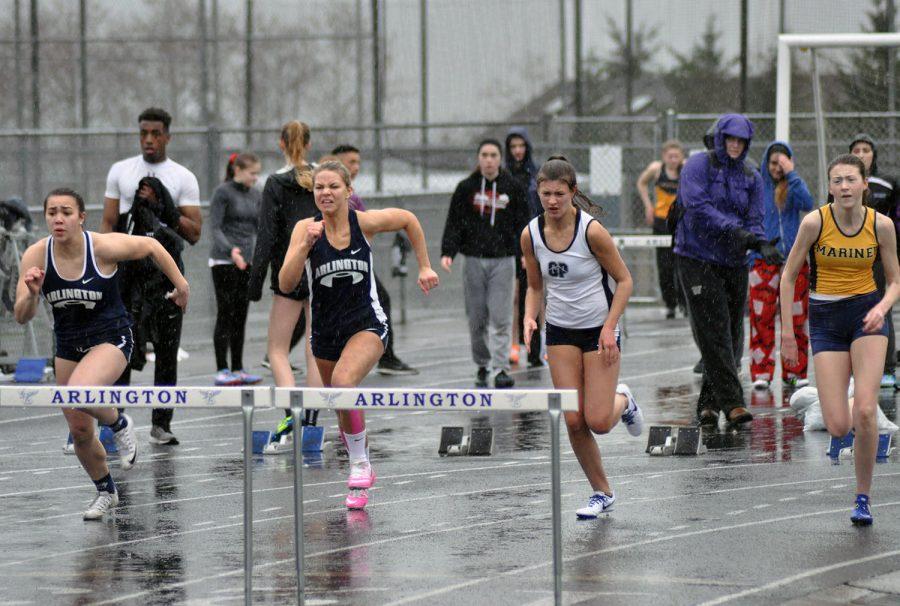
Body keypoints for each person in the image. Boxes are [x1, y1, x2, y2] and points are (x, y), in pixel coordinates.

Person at [15, 188, 189, 520]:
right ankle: (106, 490)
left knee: (79, 391)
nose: (58, 219)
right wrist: (33, 294)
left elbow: (151, 245)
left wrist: (182, 286)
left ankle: (120, 422)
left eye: (66, 212)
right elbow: (22, 315)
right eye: (52, 213)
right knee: (80, 432)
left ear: (81, 217)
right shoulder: (36, 255)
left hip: (111, 339)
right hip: (68, 345)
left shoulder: (102, 246)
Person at [278, 160, 439, 509]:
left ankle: (360, 465)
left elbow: (409, 219)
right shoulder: (305, 229)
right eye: (319, 187)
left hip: (366, 324)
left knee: (344, 381)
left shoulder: (363, 223)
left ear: (348, 191)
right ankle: (359, 475)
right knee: (340, 403)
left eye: (333, 186)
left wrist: (424, 265)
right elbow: (286, 282)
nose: (326, 193)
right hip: (324, 332)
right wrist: (304, 246)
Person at [780, 154, 900, 526]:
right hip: (826, 319)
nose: (844, 187)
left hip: (866, 315)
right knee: (837, 425)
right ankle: (846, 400)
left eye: (851, 180)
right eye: (837, 181)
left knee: (865, 413)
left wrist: (883, 306)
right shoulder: (815, 222)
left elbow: (895, 280)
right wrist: (788, 332)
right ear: (829, 186)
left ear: (865, 184)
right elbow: (788, 277)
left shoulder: (881, 225)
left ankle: (862, 497)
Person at [521, 157, 642, 519]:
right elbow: (534, 285)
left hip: (598, 329)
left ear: (573, 192)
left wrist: (609, 326)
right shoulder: (531, 234)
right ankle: (601, 491)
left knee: (599, 421)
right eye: (546, 194)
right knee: (573, 420)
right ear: (538, 193)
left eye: (560, 194)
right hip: (560, 331)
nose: (553, 201)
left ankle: (625, 399)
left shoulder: (592, 232)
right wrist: (529, 316)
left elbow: (625, 281)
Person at [674, 113, 783, 427]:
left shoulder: (751, 177)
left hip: (734, 261)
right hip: (696, 257)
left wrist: (761, 243)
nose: (735, 145)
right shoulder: (697, 166)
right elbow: (699, 209)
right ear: (719, 138)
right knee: (715, 327)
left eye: (741, 140)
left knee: (733, 335)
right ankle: (734, 403)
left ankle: (708, 404)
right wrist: (743, 235)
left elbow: (755, 218)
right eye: (730, 139)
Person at [101, 107, 201, 446]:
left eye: (156, 133)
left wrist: (165, 209)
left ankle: (161, 423)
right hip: (128, 275)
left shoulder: (182, 176)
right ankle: (115, 420)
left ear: (167, 136)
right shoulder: (121, 171)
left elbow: (194, 233)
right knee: (121, 347)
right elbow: (108, 225)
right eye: (144, 132)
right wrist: (103, 271)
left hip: (166, 273)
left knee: (167, 348)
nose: (149, 139)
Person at [249, 121, 323, 440]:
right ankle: (311, 418)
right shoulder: (324, 177)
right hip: (323, 267)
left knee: (277, 349)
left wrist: (255, 280)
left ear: (281, 144)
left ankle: (292, 413)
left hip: (289, 268)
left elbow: (266, 234)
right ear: (308, 144)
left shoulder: (276, 183)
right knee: (313, 345)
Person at [440, 139, 531, 389]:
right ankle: (482, 364)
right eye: (484, 155)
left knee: (502, 317)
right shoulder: (465, 188)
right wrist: (448, 251)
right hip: (473, 260)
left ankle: (502, 368)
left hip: (502, 260)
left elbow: (523, 222)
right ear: (478, 158)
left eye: (493, 155)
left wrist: (525, 253)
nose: (489, 159)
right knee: (477, 318)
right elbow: (454, 222)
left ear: (500, 158)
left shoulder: (513, 187)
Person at [332, 143, 418, 376]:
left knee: (379, 301)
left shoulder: (353, 196)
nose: (356, 167)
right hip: (336, 264)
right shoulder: (329, 193)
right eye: (351, 162)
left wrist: (397, 230)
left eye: (359, 162)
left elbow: (367, 223)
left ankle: (385, 357)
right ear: (337, 161)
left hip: (357, 264)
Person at [748, 141, 814, 391]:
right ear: (766, 163)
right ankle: (761, 372)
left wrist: (792, 173)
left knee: (797, 320)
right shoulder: (757, 187)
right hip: (763, 263)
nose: (777, 168)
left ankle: (794, 371)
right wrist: (757, 250)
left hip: (794, 264)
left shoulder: (792, 187)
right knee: (761, 319)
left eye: (782, 163)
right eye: (773, 163)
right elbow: (748, 222)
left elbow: (807, 202)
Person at [849, 134, 900, 389]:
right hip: (850, 257)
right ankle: (856, 366)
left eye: (866, 149)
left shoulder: (888, 183)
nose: (861, 153)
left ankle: (888, 367)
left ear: (873, 154)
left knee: (882, 308)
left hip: (879, 256)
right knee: (851, 309)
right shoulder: (843, 183)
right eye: (856, 149)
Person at [209, 152, 263, 386]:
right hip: (224, 262)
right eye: (252, 173)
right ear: (238, 170)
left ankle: (238, 367)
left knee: (240, 315)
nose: (255, 178)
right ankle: (222, 368)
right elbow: (216, 227)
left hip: (247, 262)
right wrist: (231, 251)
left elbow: (259, 227)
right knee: (226, 313)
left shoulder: (255, 194)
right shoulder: (223, 192)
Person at [504, 128, 543, 368]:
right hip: (510, 241)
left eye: (521, 146)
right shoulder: (504, 175)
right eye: (513, 147)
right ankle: (514, 343)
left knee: (536, 292)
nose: (518, 151)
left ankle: (536, 347)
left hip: (533, 238)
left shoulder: (536, 174)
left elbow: (539, 208)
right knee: (514, 296)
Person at [636, 140, 686, 319]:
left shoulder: (686, 168)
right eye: (670, 156)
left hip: (681, 222)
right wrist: (648, 205)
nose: (673, 160)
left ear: (681, 157)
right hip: (661, 222)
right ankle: (670, 304)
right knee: (665, 266)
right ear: (664, 156)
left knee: (683, 263)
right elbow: (641, 183)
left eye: (676, 156)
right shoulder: (656, 169)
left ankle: (685, 302)